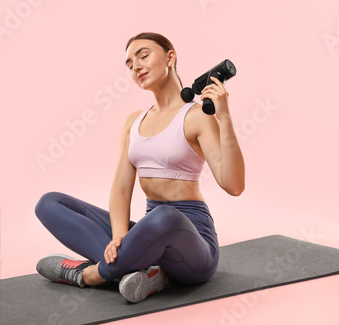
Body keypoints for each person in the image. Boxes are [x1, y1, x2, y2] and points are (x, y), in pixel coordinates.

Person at [34, 32, 245, 303]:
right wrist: (120, 239)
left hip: (193, 245)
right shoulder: (133, 122)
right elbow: (121, 189)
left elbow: (234, 185)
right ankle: (139, 271)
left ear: (170, 57)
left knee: (165, 216)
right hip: (145, 236)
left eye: (143, 55)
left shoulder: (196, 116)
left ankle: (89, 275)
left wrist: (224, 116)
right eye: (130, 64)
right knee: (49, 203)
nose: (136, 67)